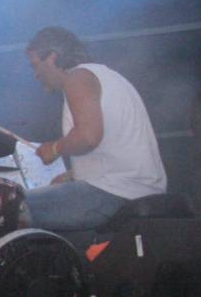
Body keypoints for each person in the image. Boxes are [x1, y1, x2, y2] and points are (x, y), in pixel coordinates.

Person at [22, 26, 167, 233]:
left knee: (11, 207)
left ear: (52, 57)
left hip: (116, 193)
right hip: (134, 189)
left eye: (35, 65)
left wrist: (54, 148)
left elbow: (88, 137)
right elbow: (113, 147)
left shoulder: (78, 77)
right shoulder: (107, 77)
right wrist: (73, 175)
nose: (36, 75)